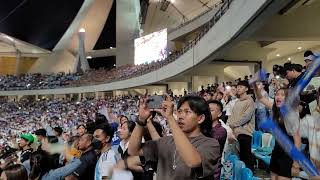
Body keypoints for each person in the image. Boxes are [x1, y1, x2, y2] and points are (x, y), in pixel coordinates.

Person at [128, 95, 221, 180]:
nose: (180, 116)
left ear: (200, 118)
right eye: (179, 111)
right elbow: (133, 150)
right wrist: (141, 120)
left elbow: (193, 161)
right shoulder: (166, 141)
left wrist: (170, 118)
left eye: (187, 112)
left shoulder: (210, 144)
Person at [254, 86, 301, 179]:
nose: (278, 97)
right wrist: (255, 87)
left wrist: (296, 163)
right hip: (277, 149)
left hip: (288, 153)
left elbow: (297, 141)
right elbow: (260, 98)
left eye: (282, 95)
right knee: (273, 177)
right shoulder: (276, 108)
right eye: (277, 94)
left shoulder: (292, 114)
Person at [228, 81, 255, 172]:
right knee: (238, 157)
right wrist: (229, 125)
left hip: (245, 133)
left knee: (246, 158)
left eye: (241, 87)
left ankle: (249, 175)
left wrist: (233, 124)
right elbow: (232, 115)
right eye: (237, 87)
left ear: (246, 89)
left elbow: (246, 117)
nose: (238, 88)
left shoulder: (250, 101)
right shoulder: (237, 101)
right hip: (235, 132)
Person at [208, 100, 227, 179]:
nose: (208, 112)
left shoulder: (220, 131)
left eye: (211, 110)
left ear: (219, 114)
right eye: (207, 110)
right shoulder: (206, 128)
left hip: (212, 171)